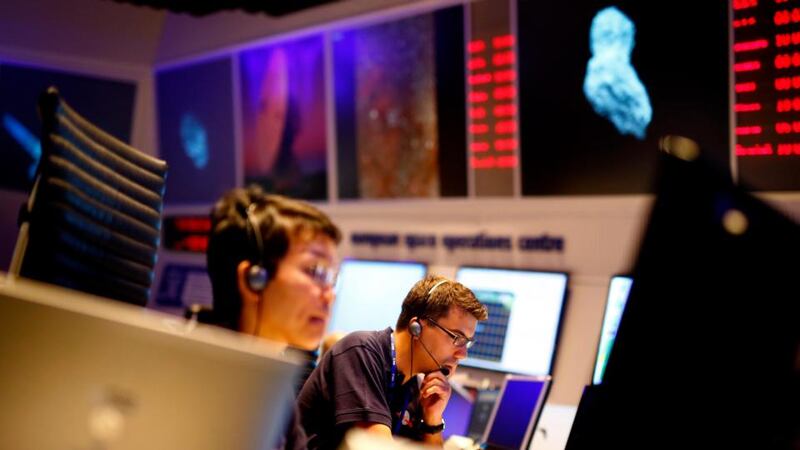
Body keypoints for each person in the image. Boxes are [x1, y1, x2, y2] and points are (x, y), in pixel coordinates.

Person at [206, 185, 342, 450]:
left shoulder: (273, 383)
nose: (330, 296)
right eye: (315, 271)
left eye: (332, 278)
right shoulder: (199, 388)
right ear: (254, 278)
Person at [297, 275, 488, 450]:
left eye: (467, 343)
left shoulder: (414, 386)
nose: (462, 354)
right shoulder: (361, 352)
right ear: (417, 328)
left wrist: (432, 420)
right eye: (457, 337)